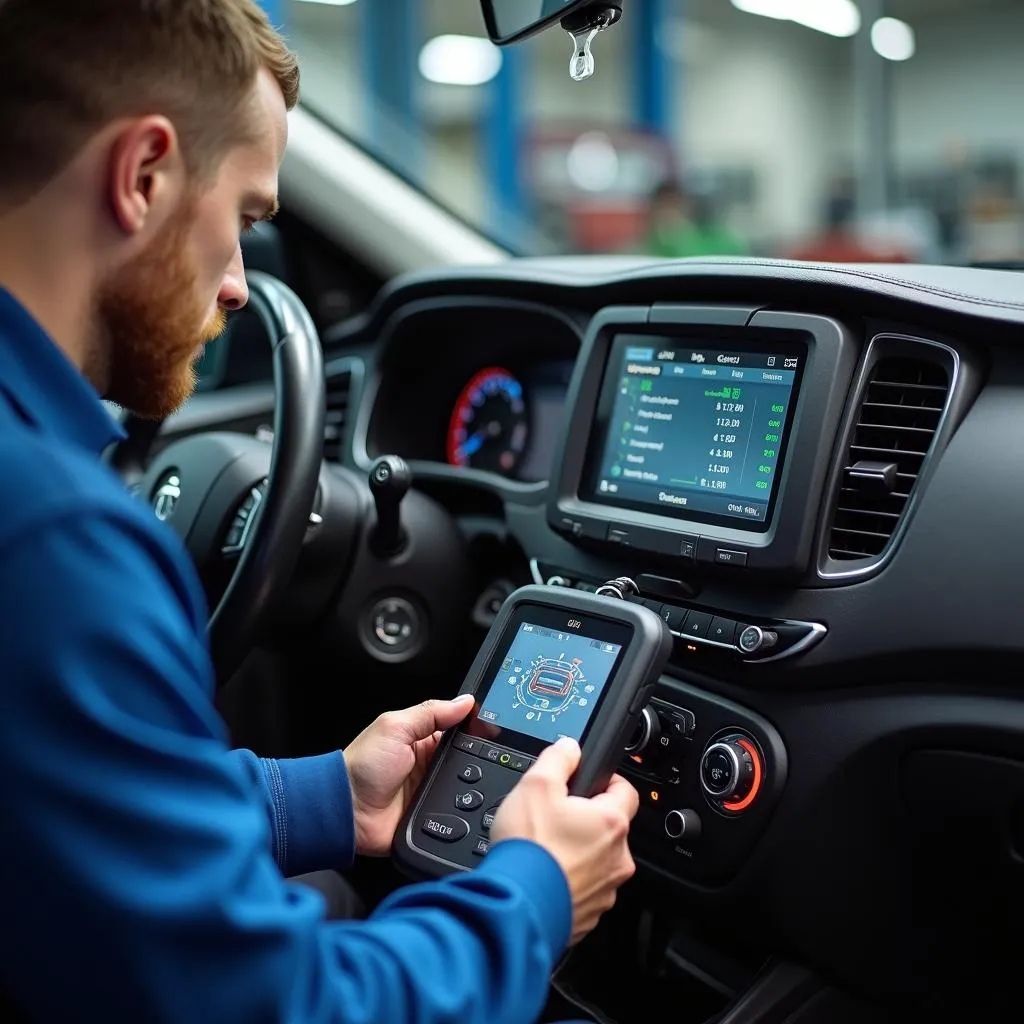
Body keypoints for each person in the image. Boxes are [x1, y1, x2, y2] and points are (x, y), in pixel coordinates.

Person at [0, 3, 639, 1023]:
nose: (243, 287)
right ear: (144, 175)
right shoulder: (54, 544)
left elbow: (50, 806)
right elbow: (277, 1005)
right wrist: (532, 894)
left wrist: (329, 797)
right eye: (246, 219)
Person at [642, 178, 747, 258]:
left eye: (675, 206)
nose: (669, 214)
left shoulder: (717, 238)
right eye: (664, 207)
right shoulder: (643, 247)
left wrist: (682, 238)